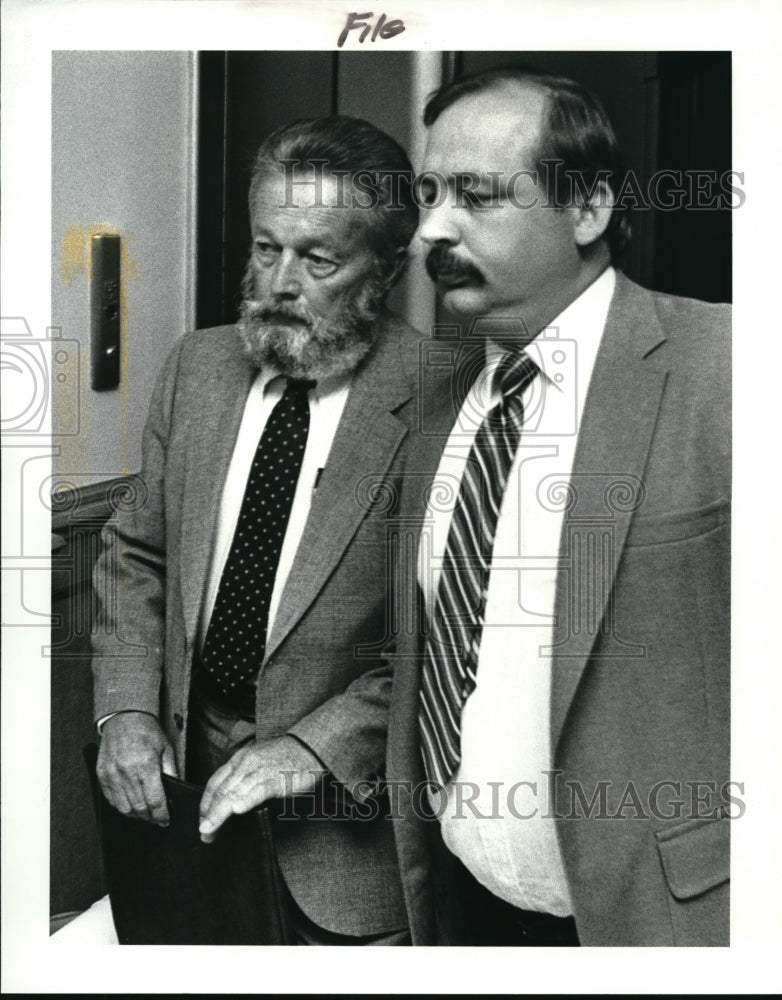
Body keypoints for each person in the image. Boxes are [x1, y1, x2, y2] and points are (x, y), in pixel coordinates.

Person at [386, 67, 731, 946]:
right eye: (429, 193)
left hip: (668, 922)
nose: (431, 229)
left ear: (586, 209)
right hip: (465, 908)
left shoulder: (728, 369)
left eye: (475, 195)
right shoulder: (439, 402)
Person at [91, 115, 422, 945]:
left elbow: (455, 648)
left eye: (317, 259)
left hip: (350, 856)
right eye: (265, 248)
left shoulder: (449, 398)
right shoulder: (195, 368)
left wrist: (313, 750)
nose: (278, 282)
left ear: (386, 269)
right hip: (186, 814)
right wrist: (126, 711)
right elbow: (136, 551)